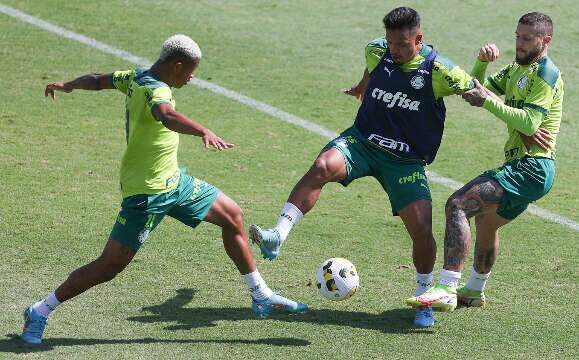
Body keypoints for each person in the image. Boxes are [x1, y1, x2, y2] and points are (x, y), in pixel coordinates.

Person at [21, 35, 307, 345]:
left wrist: (70, 85)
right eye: (190, 72)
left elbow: (98, 79)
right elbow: (166, 116)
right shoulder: (156, 90)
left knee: (233, 216)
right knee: (109, 266)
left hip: (175, 181)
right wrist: (202, 131)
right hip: (146, 193)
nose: (192, 77)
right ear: (177, 65)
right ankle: (40, 310)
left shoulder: (134, 76)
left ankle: (260, 294)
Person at [249, 7, 475, 327]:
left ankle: (424, 298)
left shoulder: (439, 70)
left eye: (401, 44)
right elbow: (373, 69)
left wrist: (485, 84)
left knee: (422, 229)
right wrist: (361, 86)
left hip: (404, 160)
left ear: (419, 39)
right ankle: (277, 236)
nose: (393, 51)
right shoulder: (377, 51)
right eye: (390, 43)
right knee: (322, 166)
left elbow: (475, 91)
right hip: (363, 143)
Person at [407, 12, 563, 311]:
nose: (519, 43)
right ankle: (474, 291)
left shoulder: (546, 73)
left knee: (458, 204)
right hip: (528, 168)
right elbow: (473, 89)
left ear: (546, 41)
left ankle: (446, 287)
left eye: (527, 39)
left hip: (532, 166)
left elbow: (530, 123)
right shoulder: (516, 70)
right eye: (517, 36)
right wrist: (481, 61)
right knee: (487, 222)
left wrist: (491, 102)